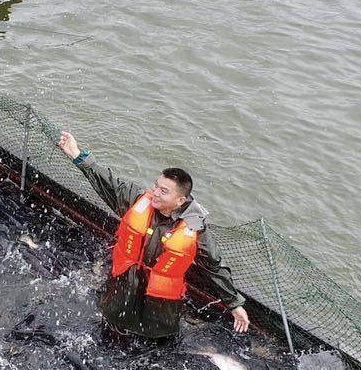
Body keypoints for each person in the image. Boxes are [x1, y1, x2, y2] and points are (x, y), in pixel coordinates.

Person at [56, 130, 250, 342]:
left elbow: (214, 268)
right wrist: (77, 154)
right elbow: (107, 182)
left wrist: (234, 304)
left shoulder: (195, 229)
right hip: (125, 282)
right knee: (112, 325)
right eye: (156, 185)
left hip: (160, 301)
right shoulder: (138, 199)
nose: (155, 193)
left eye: (164, 191)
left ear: (180, 201)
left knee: (155, 339)